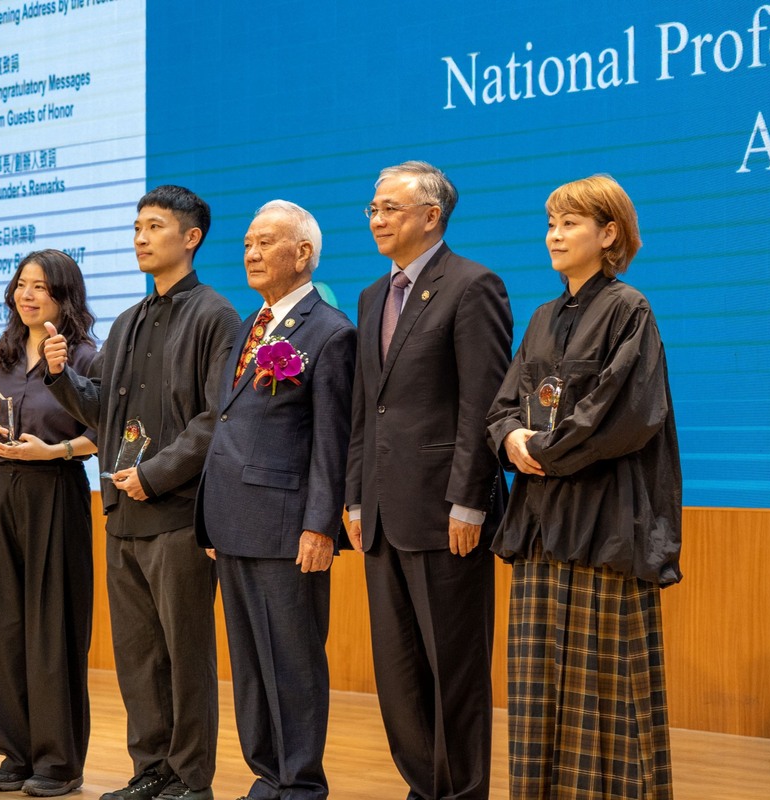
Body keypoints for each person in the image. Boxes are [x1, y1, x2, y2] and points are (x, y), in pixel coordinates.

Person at [486, 174, 682, 800]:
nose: (555, 235)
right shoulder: (542, 317)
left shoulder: (630, 309)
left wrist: (539, 449)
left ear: (609, 234)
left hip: (603, 522)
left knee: (604, 680)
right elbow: (503, 406)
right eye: (551, 223)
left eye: (570, 223)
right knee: (539, 679)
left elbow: (623, 413)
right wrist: (511, 440)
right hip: (543, 519)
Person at [44, 186, 240, 800]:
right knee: (138, 658)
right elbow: (102, 413)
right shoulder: (127, 322)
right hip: (122, 514)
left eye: (154, 226)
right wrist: (59, 375)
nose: (139, 237)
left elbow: (216, 419)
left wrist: (154, 474)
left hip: (178, 514)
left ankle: (189, 778)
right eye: (136, 227)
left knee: (186, 657)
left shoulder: (216, 315)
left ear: (191, 237)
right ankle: (149, 770)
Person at [344, 160, 512, 800]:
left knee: (454, 668)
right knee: (399, 672)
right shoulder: (369, 296)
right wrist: (355, 496)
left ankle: (461, 791)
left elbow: (482, 404)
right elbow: (367, 406)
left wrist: (470, 499)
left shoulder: (473, 286)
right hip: (383, 512)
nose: (378, 219)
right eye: (374, 208)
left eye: (390, 208)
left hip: (447, 514)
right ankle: (423, 786)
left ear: (431, 215)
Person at [196, 200, 356, 800]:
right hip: (235, 521)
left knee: (291, 662)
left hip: (288, 526)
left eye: (266, 242)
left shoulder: (330, 331)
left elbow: (331, 442)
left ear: (304, 253)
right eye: (246, 245)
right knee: (250, 665)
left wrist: (320, 525)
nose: (252, 254)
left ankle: (301, 784)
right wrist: (212, 515)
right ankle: (268, 774)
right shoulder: (250, 323)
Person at [0, 249, 98, 798]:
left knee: (53, 629)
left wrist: (53, 452)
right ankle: (16, 753)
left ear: (63, 297)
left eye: (40, 287)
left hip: (56, 491)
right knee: (2, 627)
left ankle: (59, 762)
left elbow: (108, 434)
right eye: (21, 284)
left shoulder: (87, 358)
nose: (27, 295)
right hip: (0, 492)